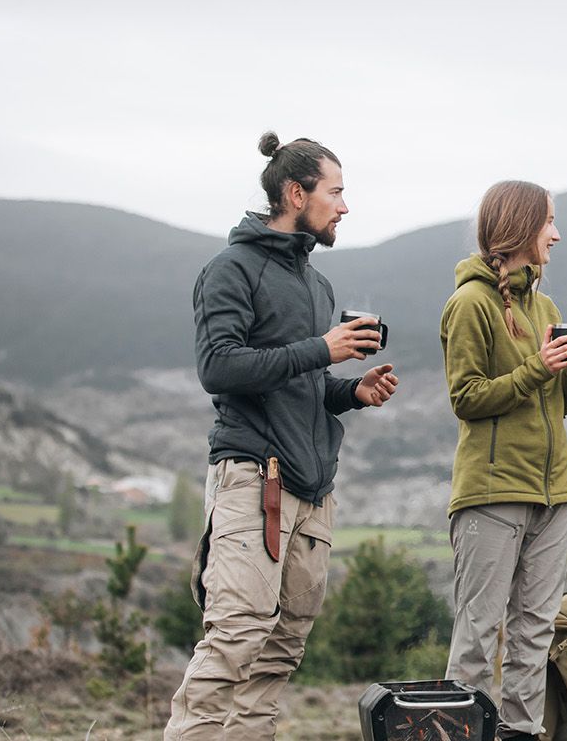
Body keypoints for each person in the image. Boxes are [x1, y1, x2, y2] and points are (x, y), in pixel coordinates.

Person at [166, 132, 400, 739]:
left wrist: (352, 390)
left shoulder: (316, 286)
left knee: (279, 651)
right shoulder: (230, 269)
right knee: (237, 636)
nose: (344, 207)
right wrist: (320, 348)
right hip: (254, 479)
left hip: (312, 489)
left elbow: (302, 383)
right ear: (295, 192)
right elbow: (218, 366)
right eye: (336, 192)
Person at [441, 180, 567, 741]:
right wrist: (539, 366)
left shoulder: (546, 306)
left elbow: (555, 409)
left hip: (554, 495)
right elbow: (467, 398)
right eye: (548, 223)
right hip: (491, 495)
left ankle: (522, 733)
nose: (556, 235)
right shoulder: (469, 304)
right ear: (519, 228)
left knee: (535, 633)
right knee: (479, 636)